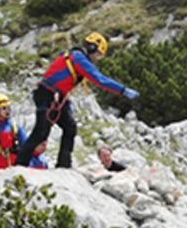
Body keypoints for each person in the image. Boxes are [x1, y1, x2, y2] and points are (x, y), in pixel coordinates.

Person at [15, 31, 139, 169]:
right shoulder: (79, 58)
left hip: (56, 97)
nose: (96, 59)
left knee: (70, 127)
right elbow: (99, 79)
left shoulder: (75, 56)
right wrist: (122, 90)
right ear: (91, 48)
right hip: (47, 95)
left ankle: (64, 165)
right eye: (97, 54)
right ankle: (20, 165)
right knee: (41, 133)